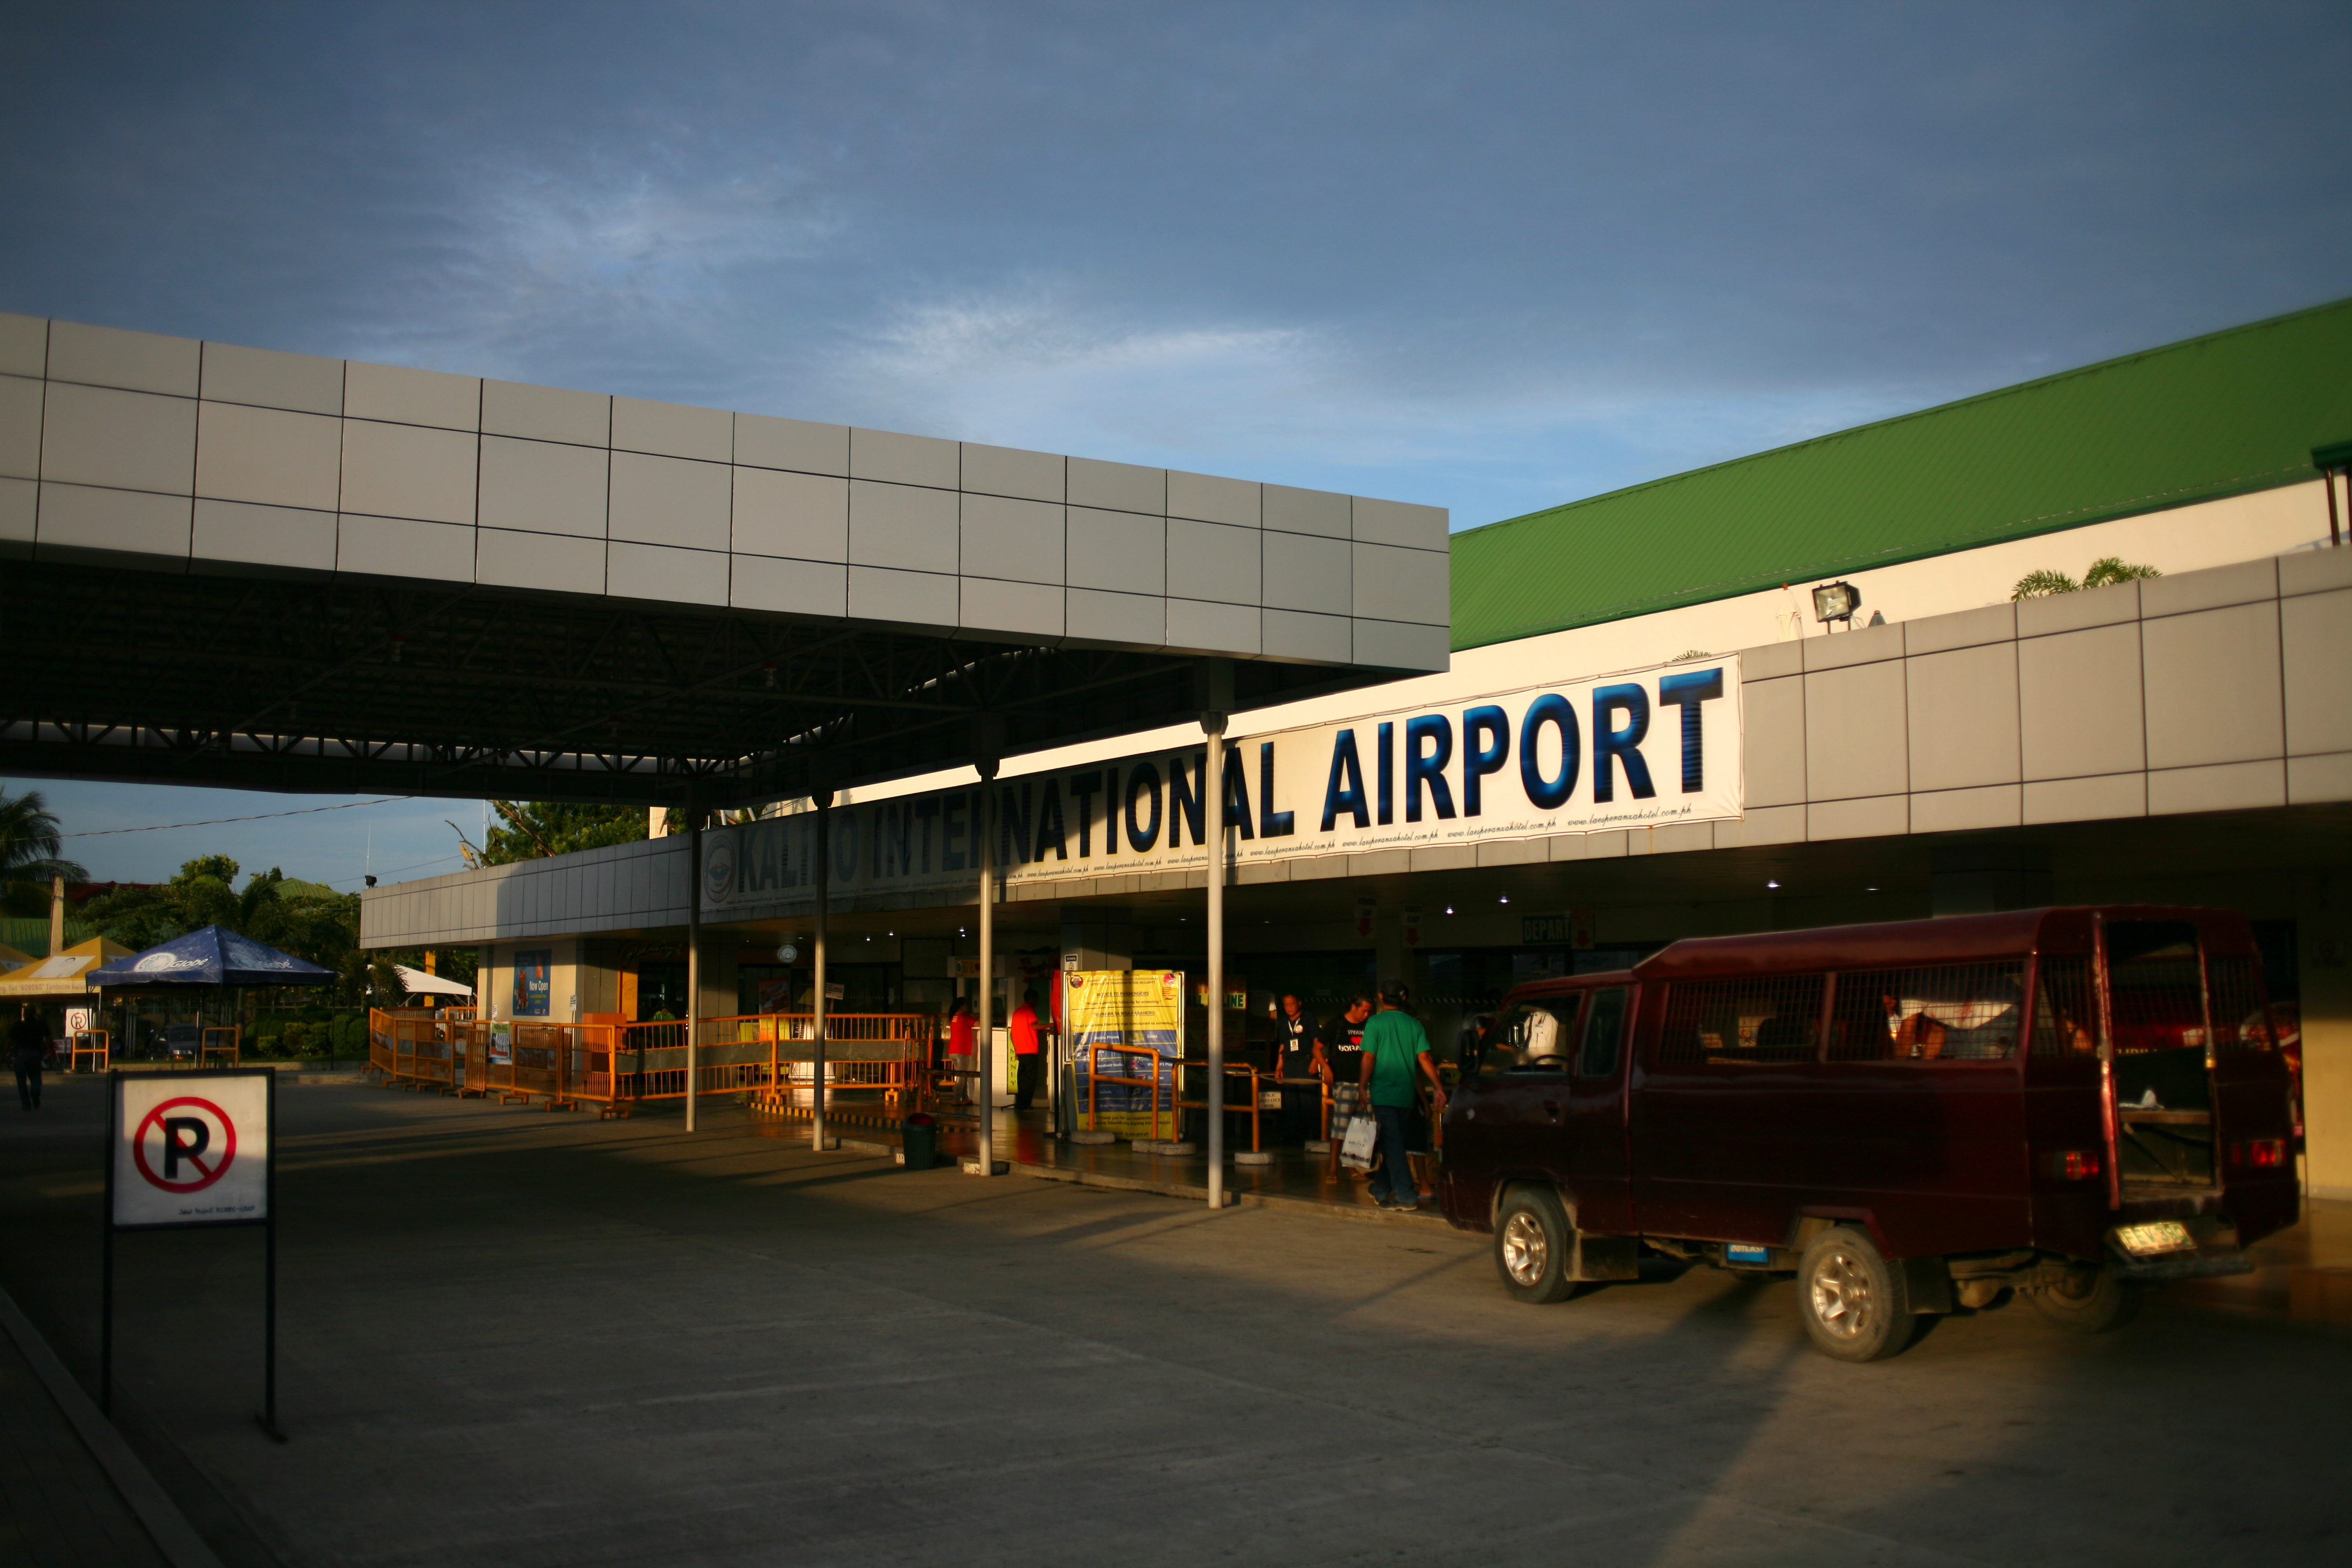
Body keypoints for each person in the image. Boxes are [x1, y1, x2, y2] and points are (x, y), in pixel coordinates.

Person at [1358, 981, 1446, 1210]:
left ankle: (1406, 1195)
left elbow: (1368, 1058)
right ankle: (1380, 1189)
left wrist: (1362, 1086)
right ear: (1405, 999)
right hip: (1406, 1095)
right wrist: (1439, 1087)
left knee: (1394, 1144)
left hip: (1384, 1093)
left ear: (1380, 997)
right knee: (1394, 1143)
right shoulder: (1415, 1025)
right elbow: (1425, 1060)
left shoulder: (1375, 1023)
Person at [1272, 993, 1318, 1142]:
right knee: (1291, 1099)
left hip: (1306, 1062)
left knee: (1308, 1099)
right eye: (1286, 1004)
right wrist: (1279, 1066)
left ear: (1299, 1003)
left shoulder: (1309, 1018)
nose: (1289, 1007)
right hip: (1290, 1063)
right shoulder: (1284, 1022)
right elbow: (1283, 1045)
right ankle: (1293, 1133)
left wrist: (1315, 1061)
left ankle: (1315, 1132)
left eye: (1292, 1003)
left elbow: (1318, 1041)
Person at [1011, 987, 1045, 1111]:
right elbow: (1035, 1026)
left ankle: (1020, 1104)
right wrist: (1053, 1025)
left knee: (1022, 1079)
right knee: (1030, 1080)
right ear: (1032, 999)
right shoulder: (1029, 1011)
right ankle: (1025, 1105)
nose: (1037, 1002)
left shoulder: (1017, 1012)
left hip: (1021, 1051)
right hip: (1031, 1050)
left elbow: (1013, 1033)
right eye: (1036, 999)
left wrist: (1016, 1049)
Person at [11, 1005, 48, 1112]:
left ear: (24, 1014)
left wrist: (4, 1054)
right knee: (36, 1076)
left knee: (21, 1082)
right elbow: (49, 1037)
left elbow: (10, 1041)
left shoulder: (18, 1025)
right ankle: (35, 1091)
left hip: (21, 1054)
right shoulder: (40, 1025)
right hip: (35, 1053)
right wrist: (46, 1049)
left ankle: (26, 1104)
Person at [947, 995, 977, 1103]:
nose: (968, 1006)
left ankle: (965, 1098)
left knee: (962, 1075)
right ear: (961, 1006)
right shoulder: (965, 1018)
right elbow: (982, 1024)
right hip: (963, 1051)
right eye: (966, 1004)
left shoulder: (953, 1018)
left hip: (953, 1051)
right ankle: (956, 1099)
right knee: (961, 1076)